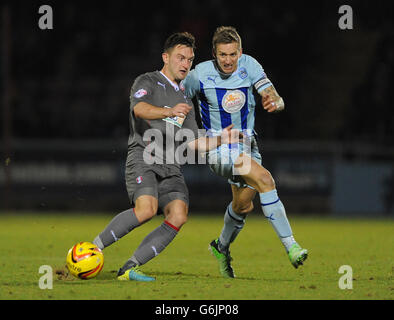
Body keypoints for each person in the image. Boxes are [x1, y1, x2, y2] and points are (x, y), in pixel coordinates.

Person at [92, 32, 240, 281]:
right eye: (180, 58)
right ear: (165, 57)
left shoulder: (185, 98)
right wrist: (169, 111)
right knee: (146, 209)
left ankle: (129, 268)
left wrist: (221, 139)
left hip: (171, 166)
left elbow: (194, 143)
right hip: (144, 157)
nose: (185, 64)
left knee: (179, 215)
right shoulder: (147, 81)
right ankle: (91, 249)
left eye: (189, 60)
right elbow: (139, 110)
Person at [182, 26, 308, 278]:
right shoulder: (199, 75)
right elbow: (177, 100)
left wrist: (275, 102)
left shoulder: (249, 65)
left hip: (248, 146)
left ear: (241, 52)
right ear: (214, 55)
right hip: (219, 149)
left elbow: (274, 96)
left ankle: (221, 247)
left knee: (242, 206)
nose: (228, 60)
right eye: (222, 55)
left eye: (232, 54)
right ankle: (291, 246)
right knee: (265, 180)